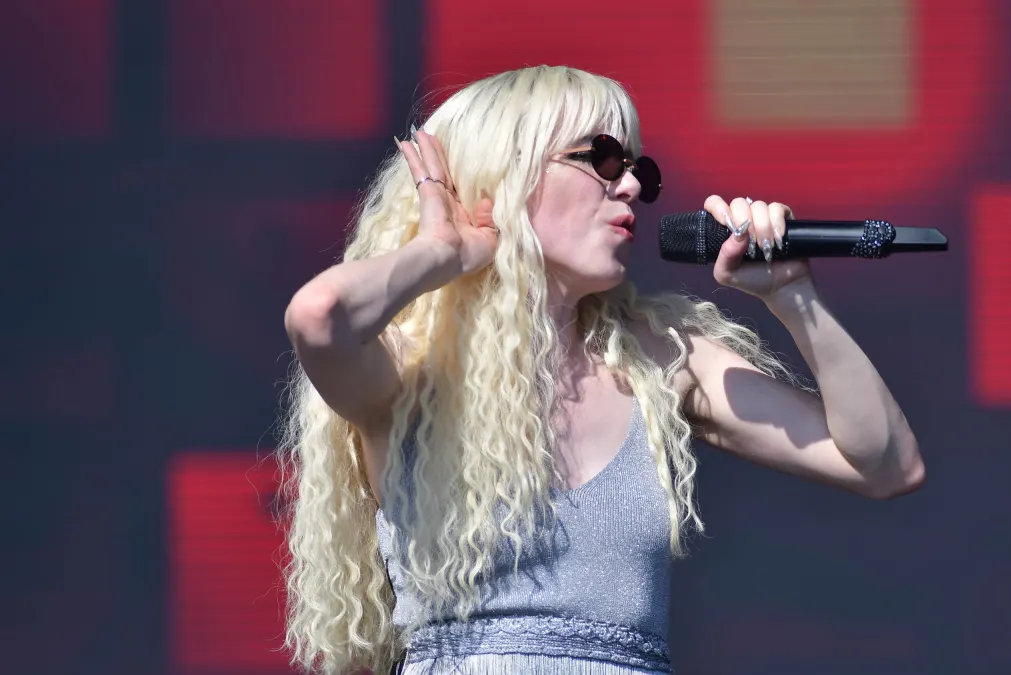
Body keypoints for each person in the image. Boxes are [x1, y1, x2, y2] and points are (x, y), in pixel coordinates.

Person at [278, 65, 925, 675]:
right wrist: (442, 251)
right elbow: (319, 314)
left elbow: (886, 464)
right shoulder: (408, 367)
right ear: (504, 175)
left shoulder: (662, 356)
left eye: (640, 167)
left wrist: (793, 296)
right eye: (603, 160)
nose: (633, 186)